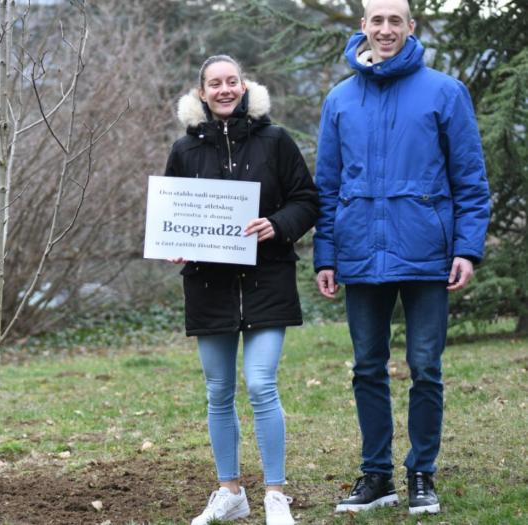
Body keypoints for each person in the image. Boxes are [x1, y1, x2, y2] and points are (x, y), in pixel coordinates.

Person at [313, 0, 490, 516]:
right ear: (363, 28)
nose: (386, 29)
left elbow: (471, 182)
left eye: (396, 21)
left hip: (426, 254)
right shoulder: (340, 99)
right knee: (367, 367)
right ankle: (376, 476)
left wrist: (466, 249)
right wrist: (326, 254)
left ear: (411, 27)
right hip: (360, 253)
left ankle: (422, 474)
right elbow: (327, 186)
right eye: (377, 21)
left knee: (425, 367)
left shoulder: (445, 92)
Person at [164, 55, 319, 525]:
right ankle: (230, 491)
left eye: (232, 81)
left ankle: (275, 494)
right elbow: (173, 213)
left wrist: (277, 225)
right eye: (216, 84)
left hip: (267, 281)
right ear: (202, 92)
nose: (225, 90)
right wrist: (176, 243)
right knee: (217, 391)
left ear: (245, 86)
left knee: (260, 384)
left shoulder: (275, 141)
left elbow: (307, 201)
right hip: (209, 286)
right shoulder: (184, 150)